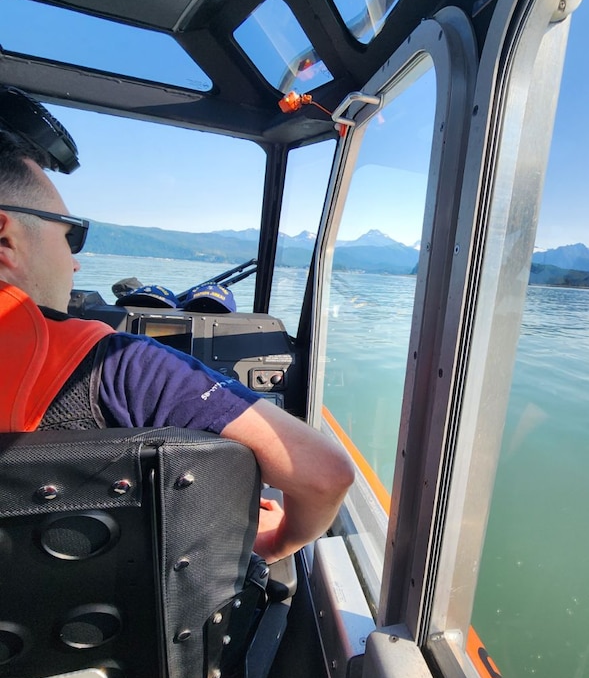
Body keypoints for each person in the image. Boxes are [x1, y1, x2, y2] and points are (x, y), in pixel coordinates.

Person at [0, 119, 354, 564]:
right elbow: (326, 474)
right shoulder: (120, 366)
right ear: (5, 238)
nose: (74, 265)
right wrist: (276, 542)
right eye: (70, 236)